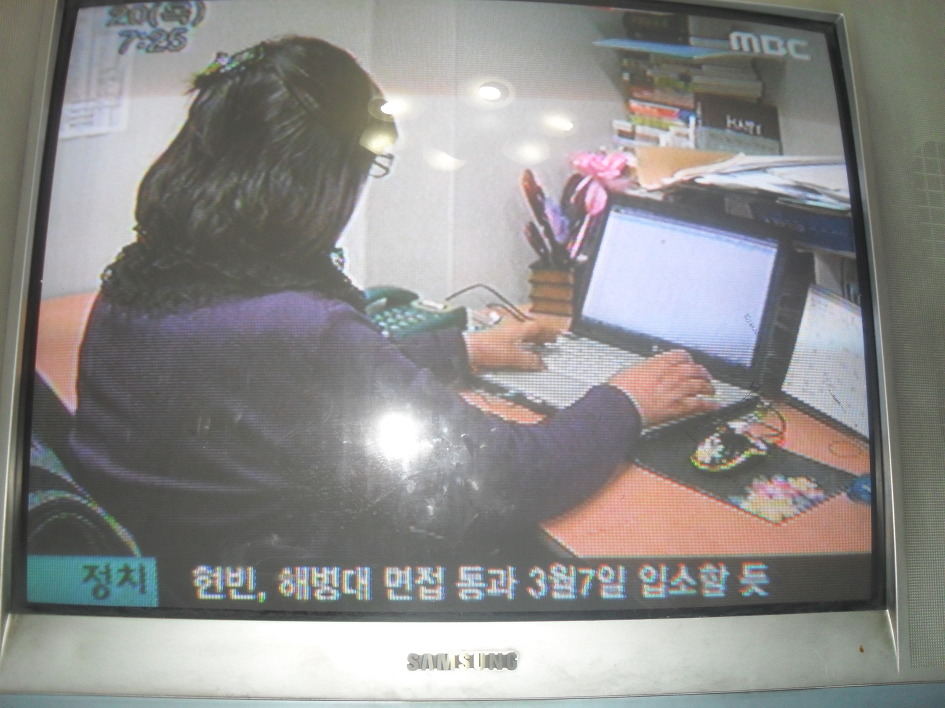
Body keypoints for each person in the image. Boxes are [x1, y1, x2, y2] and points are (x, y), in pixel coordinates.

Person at [68, 36, 716, 581]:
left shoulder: (145, 274)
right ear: (317, 176)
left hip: (185, 564)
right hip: (293, 587)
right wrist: (625, 400)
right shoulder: (298, 326)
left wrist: (461, 349)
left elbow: (282, 382)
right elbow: (511, 478)